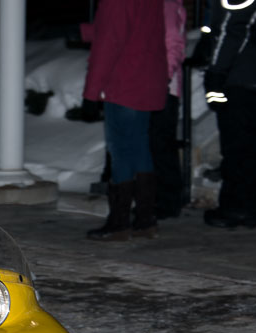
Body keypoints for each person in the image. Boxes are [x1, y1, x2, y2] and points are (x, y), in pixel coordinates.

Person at [80, 0, 167, 241]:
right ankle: (145, 219)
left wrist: (91, 93)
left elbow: (109, 44)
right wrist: (89, 31)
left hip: (124, 83)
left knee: (121, 152)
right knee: (139, 148)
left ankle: (119, 222)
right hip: (147, 79)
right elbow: (134, 31)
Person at [193, 0, 256, 229]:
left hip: (241, 75)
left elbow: (235, 26)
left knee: (238, 145)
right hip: (253, 76)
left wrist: (216, 72)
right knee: (249, 145)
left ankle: (237, 207)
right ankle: (247, 201)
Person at [149, 0, 187, 221]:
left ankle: (168, 201)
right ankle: (161, 199)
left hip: (164, 87)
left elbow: (173, 41)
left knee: (161, 144)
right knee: (157, 144)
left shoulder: (167, 4)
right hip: (155, 84)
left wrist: (166, 75)